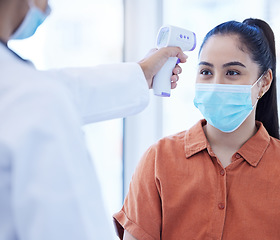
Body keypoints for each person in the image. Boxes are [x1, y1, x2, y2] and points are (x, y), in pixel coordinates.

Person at [114, 19, 280, 240]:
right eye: (206, 72)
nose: (215, 84)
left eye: (232, 73)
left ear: (264, 82)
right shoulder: (158, 160)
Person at [0, 0, 188, 239]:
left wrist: (140, 74)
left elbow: (61, 89)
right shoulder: (35, 99)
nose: (46, 6)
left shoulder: (27, 91)